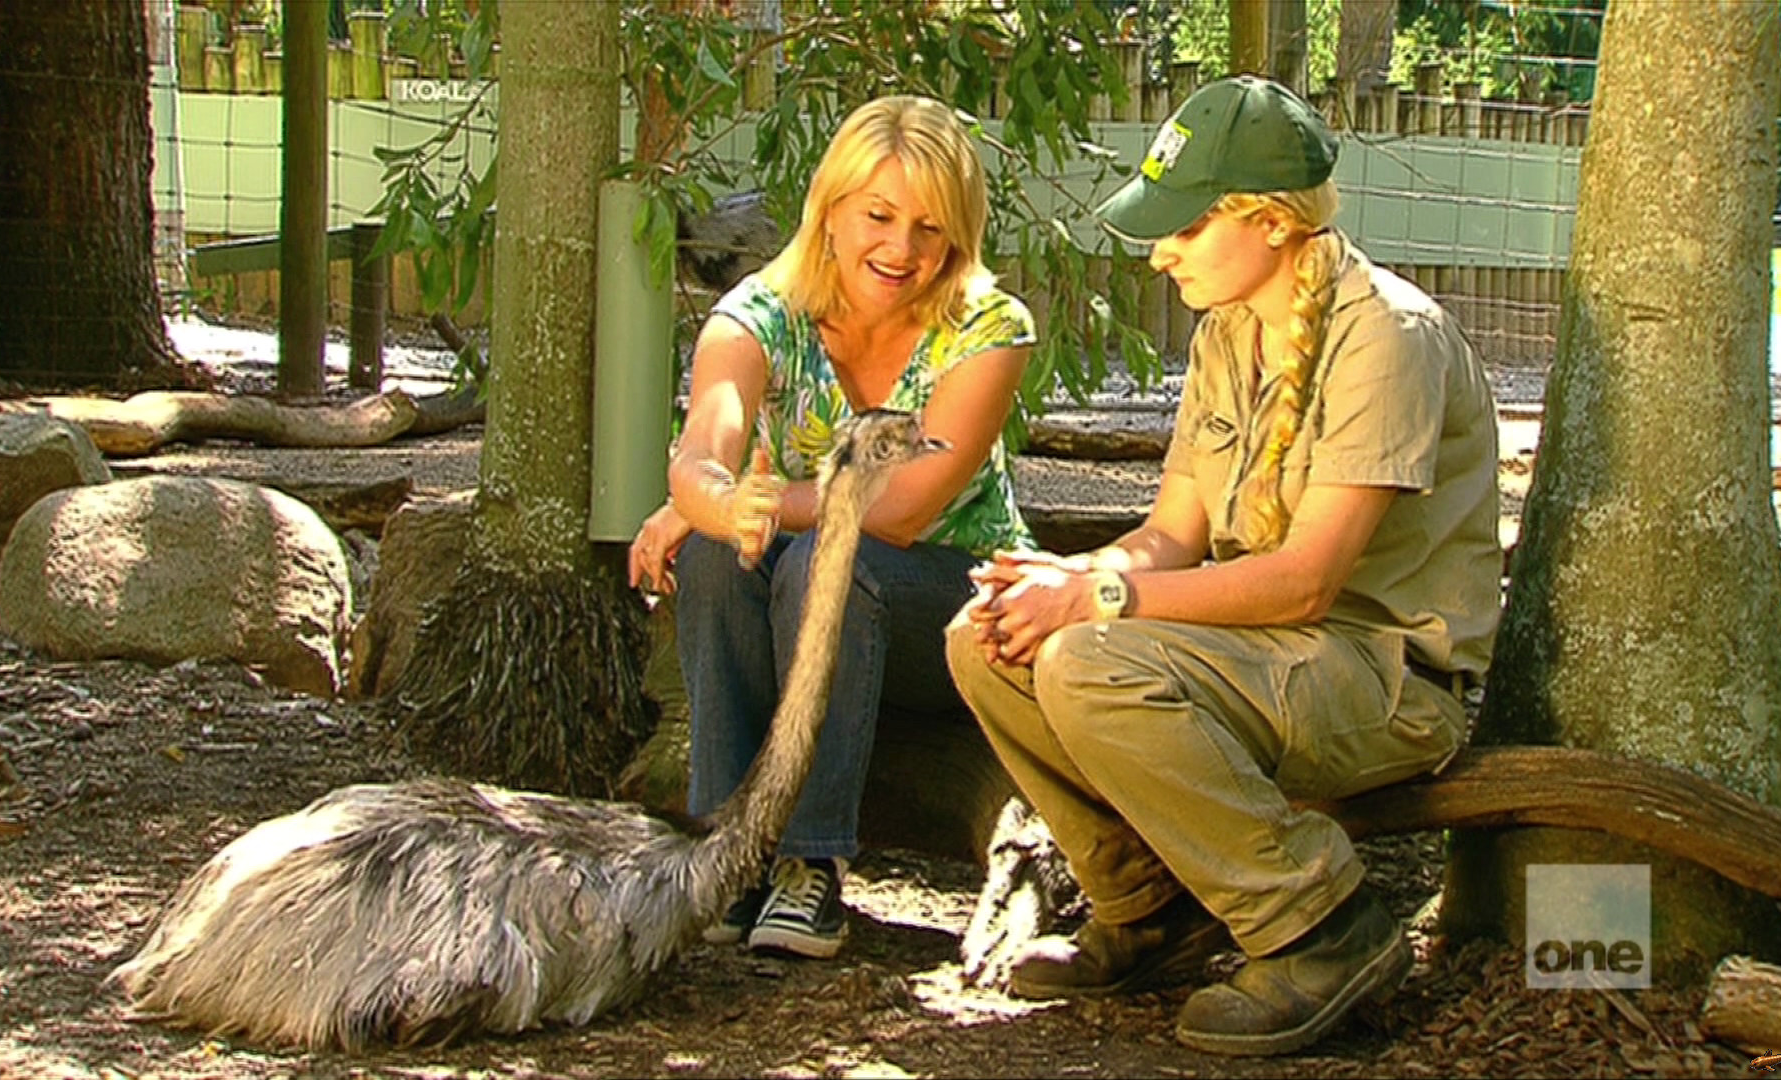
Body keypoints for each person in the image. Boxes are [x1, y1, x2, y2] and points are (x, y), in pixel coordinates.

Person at [944, 75, 1502, 1057]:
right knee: (985, 640)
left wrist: (1095, 598)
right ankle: (1151, 906)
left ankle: (1320, 927)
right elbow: (1169, 537)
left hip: (1384, 675)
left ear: (1272, 222)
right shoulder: (1225, 331)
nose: (1160, 253)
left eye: (1188, 227)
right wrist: (1053, 584)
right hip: (1261, 651)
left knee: (1089, 660)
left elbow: (1306, 582)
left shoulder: (1388, 335)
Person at [627, 95, 1036, 960]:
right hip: (811, 595)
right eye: (879, 216)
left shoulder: (991, 327)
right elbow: (703, 450)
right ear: (830, 209)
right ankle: (731, 848)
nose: (901, 248)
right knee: (716, 556)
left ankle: (809, 860)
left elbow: (903, 506)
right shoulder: (758, 314)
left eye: (930, 227)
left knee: (825, 558)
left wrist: (759, 503)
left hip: (952, 608)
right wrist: (709, 503)